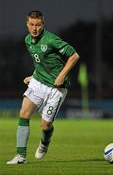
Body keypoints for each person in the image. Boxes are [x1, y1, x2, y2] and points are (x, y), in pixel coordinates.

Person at [7, 10, 80, 164]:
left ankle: (45, 142)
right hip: (38, 83)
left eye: (38, 25)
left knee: (45, 125)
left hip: (56, 88)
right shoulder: (28, 40)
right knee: (24, 113)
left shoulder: (51, 40)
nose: (35, 28)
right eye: (32, 25)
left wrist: (61, 75)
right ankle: (21, 156)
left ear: (43, 24)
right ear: (27, 24)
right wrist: (34, 75)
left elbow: (74, 56)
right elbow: (40, 62)